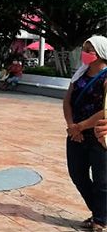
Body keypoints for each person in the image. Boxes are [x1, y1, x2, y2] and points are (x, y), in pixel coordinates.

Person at [63, 36, 107, 231]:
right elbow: (67, 101)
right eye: (84, 49)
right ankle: (101, 212)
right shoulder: (79, 75)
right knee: (77, 174)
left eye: (89, 50)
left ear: (100, 53)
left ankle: (100, 219)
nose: (85, 54)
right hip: (76, 134)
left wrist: (81, 126)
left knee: (102, 181)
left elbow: (105, 110)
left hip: (98, 135)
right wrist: (72, 125)